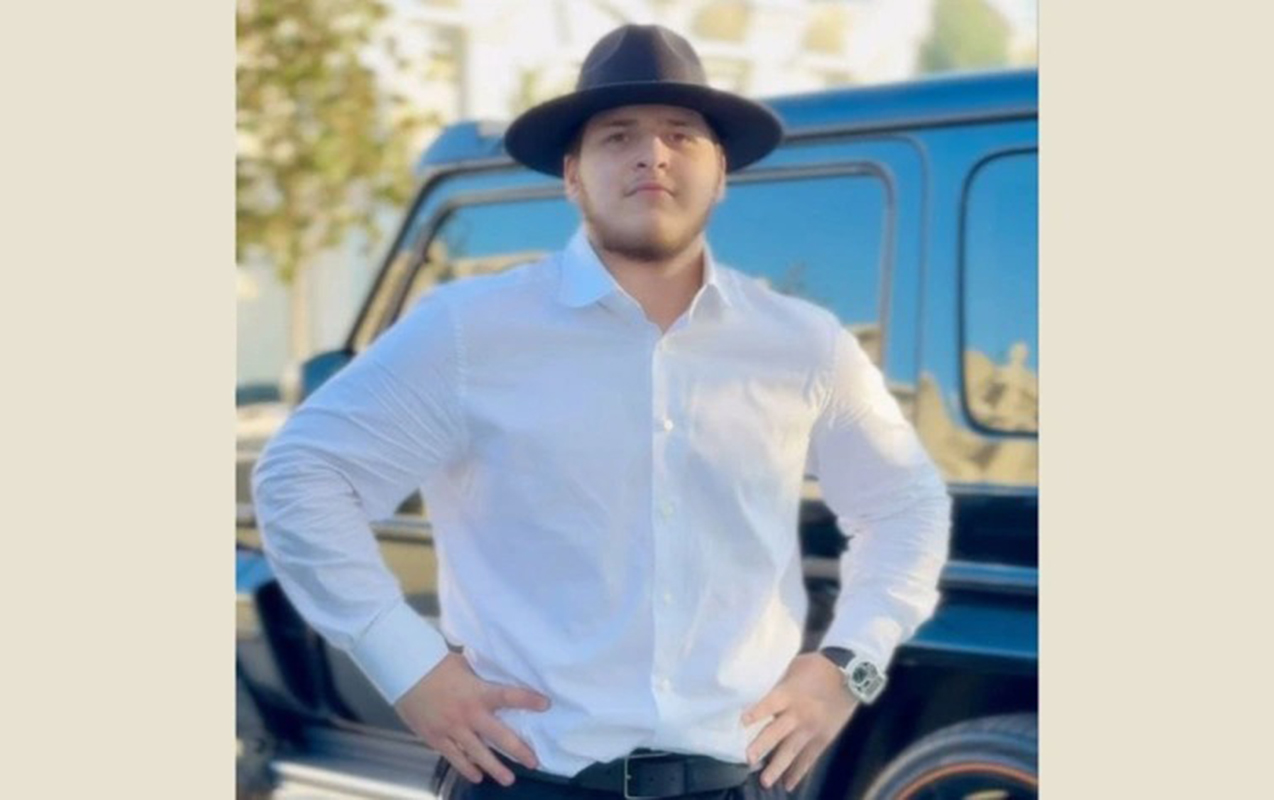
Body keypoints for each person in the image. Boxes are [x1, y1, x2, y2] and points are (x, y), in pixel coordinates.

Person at [252, 23, 951, 800]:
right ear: (573, 176)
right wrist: (410, 669)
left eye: (680, 134)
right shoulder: (468, 332)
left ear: (721, 172)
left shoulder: (803, 345)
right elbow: (300, 476)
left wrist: (849, 666)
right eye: (618, 136)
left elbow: (907, 506)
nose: (652, 154)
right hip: (526, 779)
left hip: (739, 780)